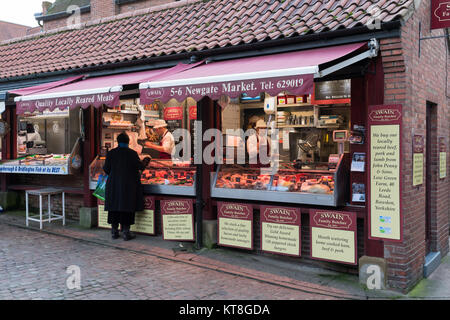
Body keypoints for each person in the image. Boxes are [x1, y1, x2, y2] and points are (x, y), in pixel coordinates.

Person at [103, 132, 151, 240]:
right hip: (128, 185)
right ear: (128, 142)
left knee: (114, 207)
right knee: (127, 208)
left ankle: (114, 231)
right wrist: (146, 161)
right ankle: (126, 232)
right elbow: (140, 167)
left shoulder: (111, 153)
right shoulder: (132, 153)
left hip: (114, 184)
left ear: (118, 142)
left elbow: (106, 169)